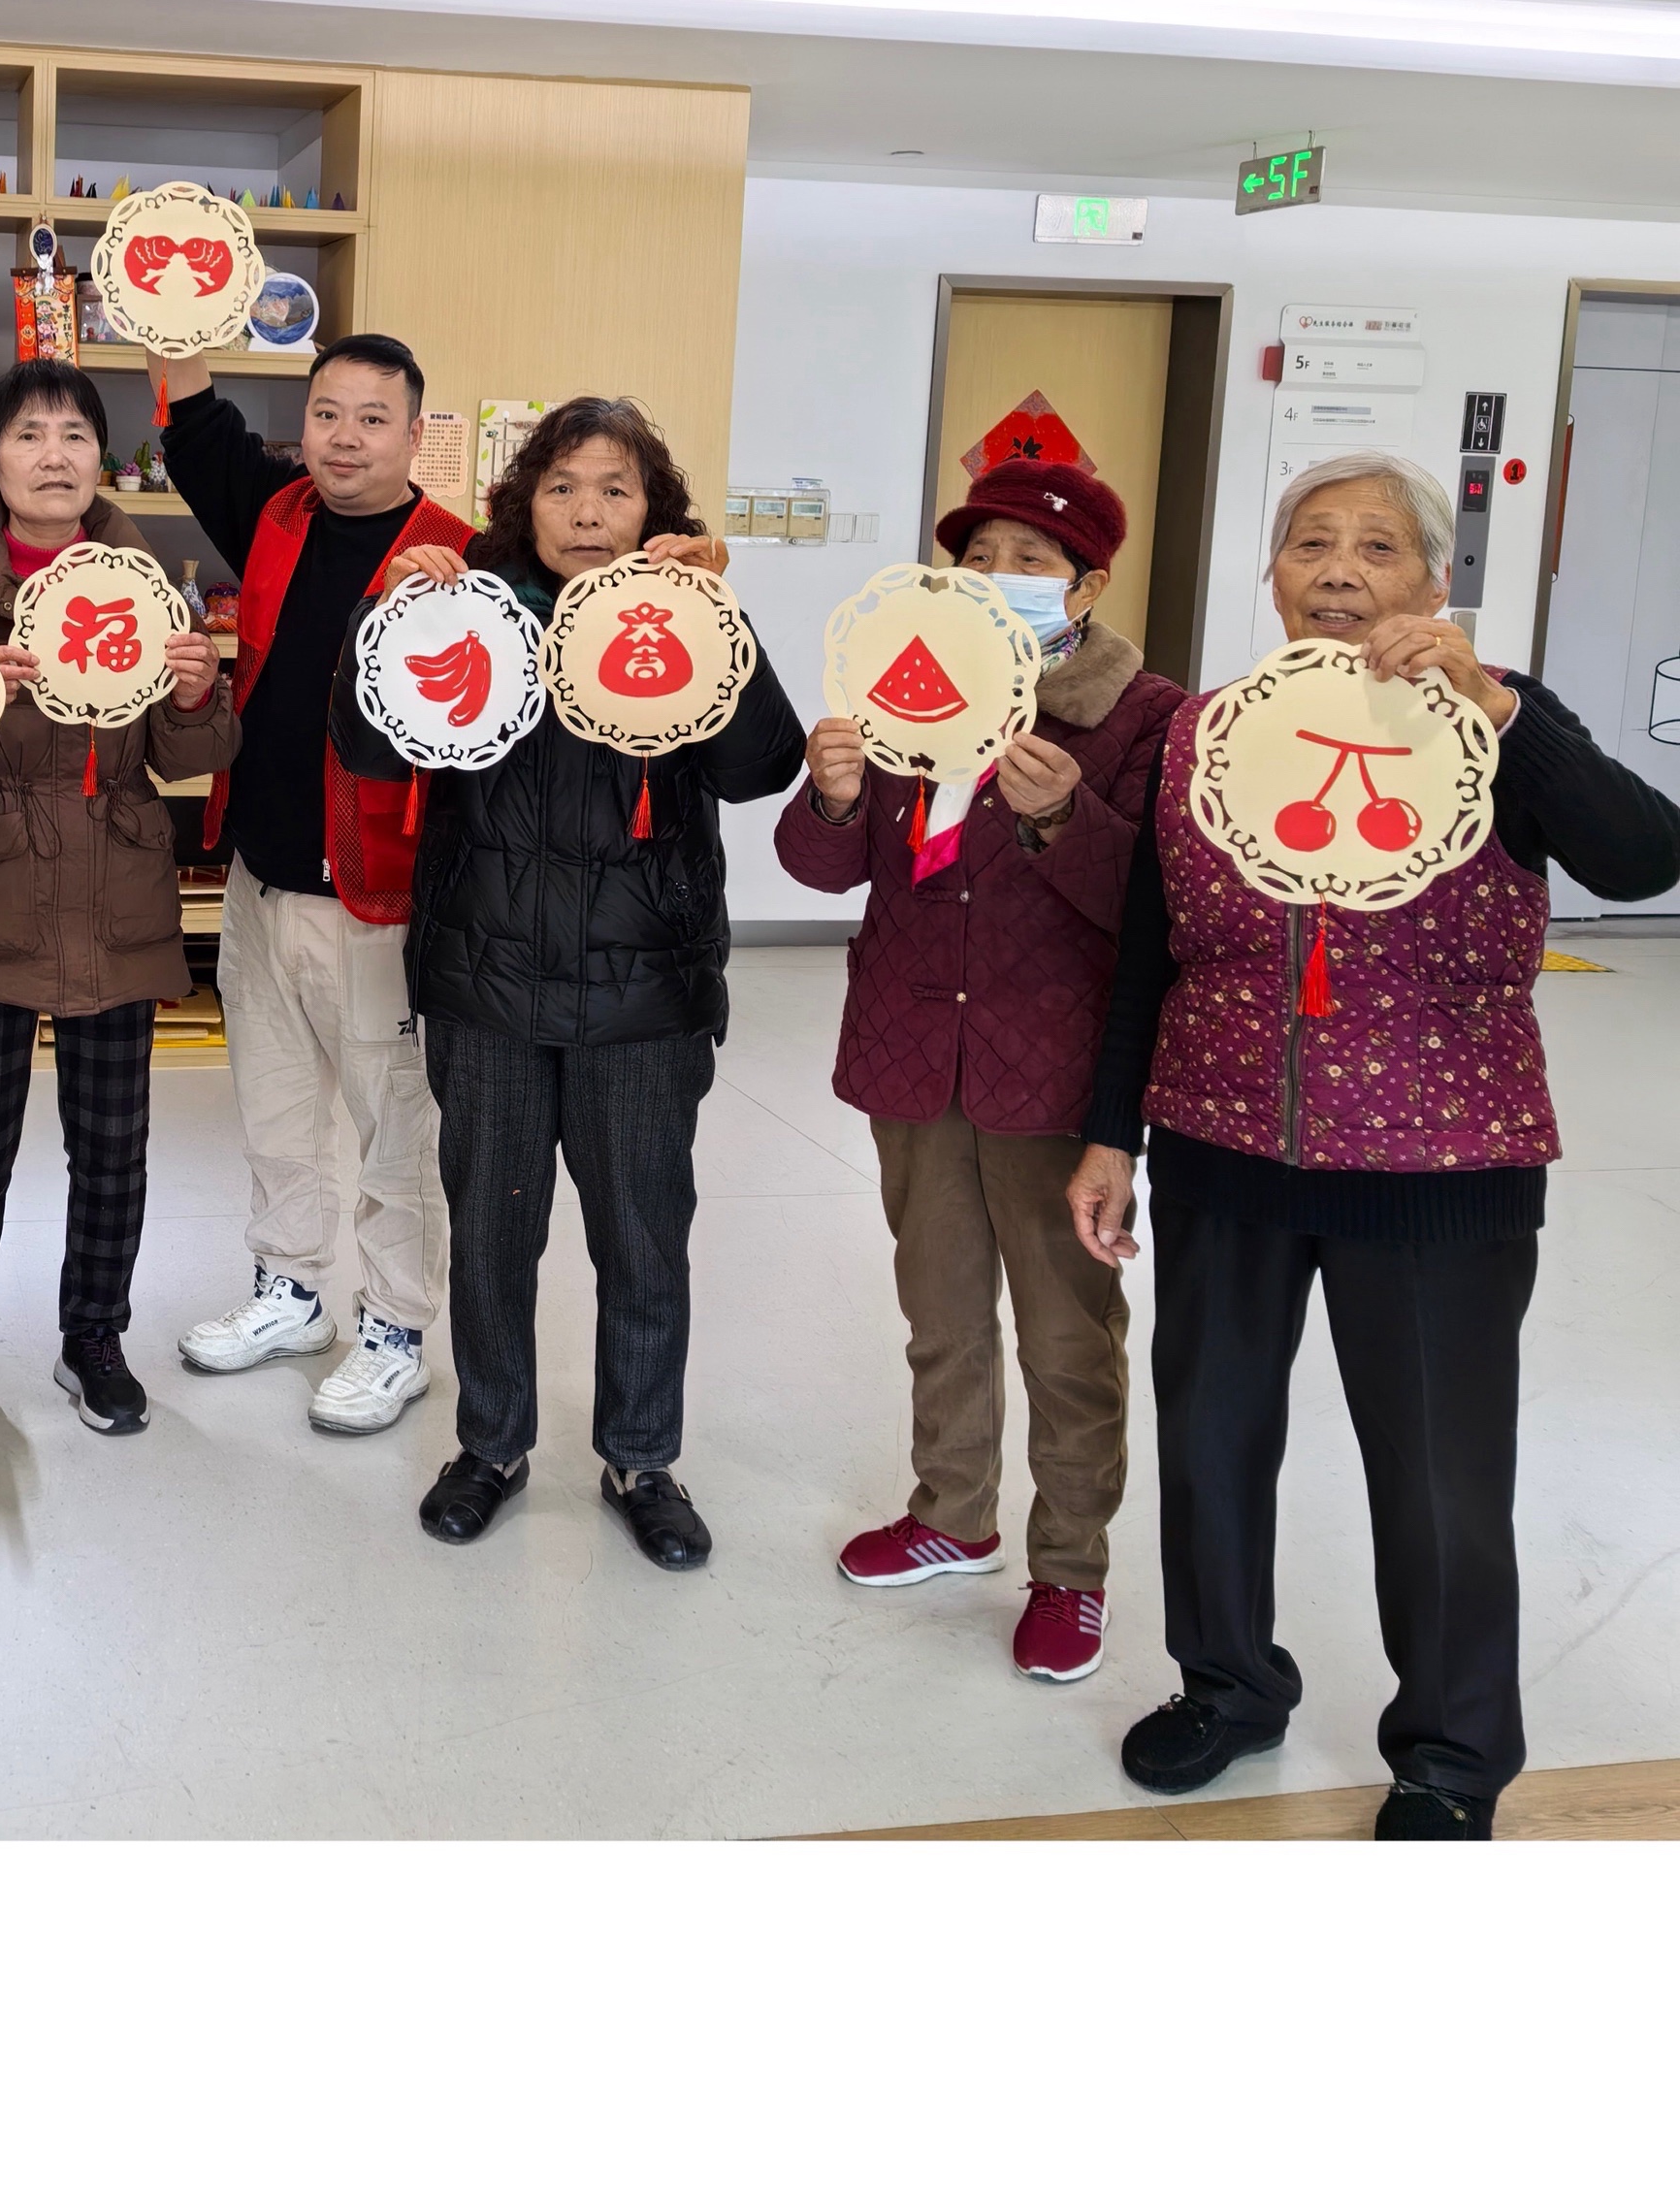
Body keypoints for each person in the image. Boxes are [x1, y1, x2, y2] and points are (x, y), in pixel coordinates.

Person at [1069, 452, 1680, 1835]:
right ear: (1272, 573)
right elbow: (1152, 946)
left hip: (1440, 1167)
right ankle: (1228, 1685)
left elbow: (1646, 857)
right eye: (1310, 542)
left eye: (1377, 546)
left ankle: (1453, 1755)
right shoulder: (1208, 731)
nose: (1339, 569)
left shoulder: (1497, 716)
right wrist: (1114, 1134)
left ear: (1435, 580)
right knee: (1211, 1441)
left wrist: (1503, 711)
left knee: (1437, 1479)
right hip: (1224, 1143)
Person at [330, 397, 804, 1568]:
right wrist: (386, 617)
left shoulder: (680, 619)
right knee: (493, 1237)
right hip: (486, 985)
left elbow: (762, 767)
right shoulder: (474, 611)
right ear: (523, 504)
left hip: (644, 996)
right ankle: (490, 1447)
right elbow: (366, 743)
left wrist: (720, 621)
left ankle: (642, 1456)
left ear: (653, 511)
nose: (587, 513)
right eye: (562, 487)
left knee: (643, 1237)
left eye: (615, 490)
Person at [779, 458, 1182, 1681]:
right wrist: (833, 796)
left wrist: (1064, 817)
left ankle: (1071, 1570)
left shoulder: (1145, 717)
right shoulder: (911, 680)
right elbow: (822, 867)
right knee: (940, 1310)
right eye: (979, 558)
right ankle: (952, 1514)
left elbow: (1157, 906)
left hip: (1053, 1069)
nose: (999, 578)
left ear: (1088, 585)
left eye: (1031, 561)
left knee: (1068, 1337)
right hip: (915, 1054)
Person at [0, 359, 235, 1445]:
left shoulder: (150, 586)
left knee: (111, 1147)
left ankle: (95, 1337)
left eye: (76, 435)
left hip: (114, 888)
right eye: (29, 435)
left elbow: (193, 756)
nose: (54, 456)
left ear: (104, 458)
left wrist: (196, 691)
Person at [154, 334, 473, 1432]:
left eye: (373, 419)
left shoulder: (462, 556)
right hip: (259, 874)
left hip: (381, 897)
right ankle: (290, 1292)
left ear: (415, 434)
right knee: (276, 1111)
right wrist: (175, 323)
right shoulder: (278, 512)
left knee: (397, 1131)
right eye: (326, 414)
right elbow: (196, 429)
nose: (344, 439)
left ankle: (397, 1328)